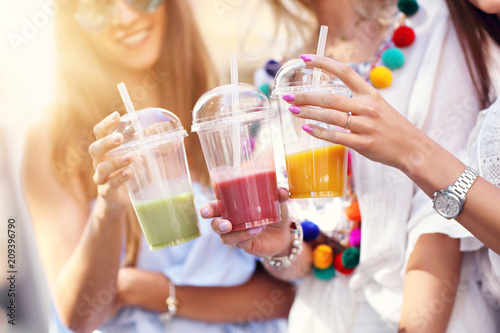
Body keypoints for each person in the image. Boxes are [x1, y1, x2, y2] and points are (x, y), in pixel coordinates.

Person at [202, 0, 499, 331]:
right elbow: (309, 259)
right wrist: (281, 246)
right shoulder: (277, 73)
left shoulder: (431, 24)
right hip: (319, 318)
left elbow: (441, 218)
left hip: (425, 314)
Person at [21, 1, 294, 332]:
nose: (124, 18)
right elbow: (82, 316)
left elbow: (284, 296)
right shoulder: (56, 141)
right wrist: (109, 210)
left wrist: (154, 292)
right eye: (97, 7)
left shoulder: (217, 116)